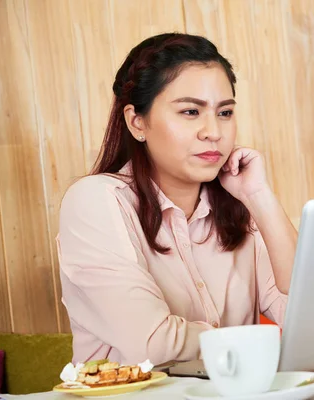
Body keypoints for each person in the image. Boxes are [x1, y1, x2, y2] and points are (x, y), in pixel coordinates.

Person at [57, 33, 297, 366]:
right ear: (137, 122)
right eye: (190, 112)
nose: (213, 131)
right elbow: (153, 343)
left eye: (225, 113)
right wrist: (250, 341)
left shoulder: (239, 205)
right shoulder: (95, 201)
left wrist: (260, 197)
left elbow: (310, 313)